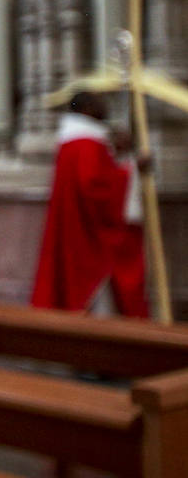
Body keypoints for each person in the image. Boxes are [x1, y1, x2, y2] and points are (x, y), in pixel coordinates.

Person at [31, 92, 149, 318]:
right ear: (85, 109)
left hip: (75, 225)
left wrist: (119, 153)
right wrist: (132, 168)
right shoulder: (88, 143)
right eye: (97, 102)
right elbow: (96, 187)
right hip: (88, 234)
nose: (104, 105)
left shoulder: (71, 142)